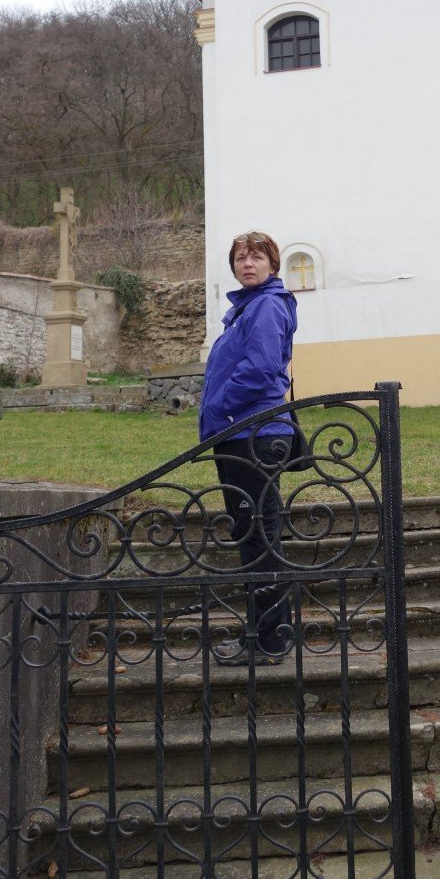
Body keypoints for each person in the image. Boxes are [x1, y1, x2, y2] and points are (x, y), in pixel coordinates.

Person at [199, 230, 298, 662]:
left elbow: (260, 370)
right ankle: (264, 635)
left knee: (258, 536)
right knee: (253, 533)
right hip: (241, 433)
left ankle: (268, 641)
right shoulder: (248, 309)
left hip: (252, 433)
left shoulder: (265, 306)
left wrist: (218, 409)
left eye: (257, 257)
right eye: (241, 257)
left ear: (273, 265)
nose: (248, 263)